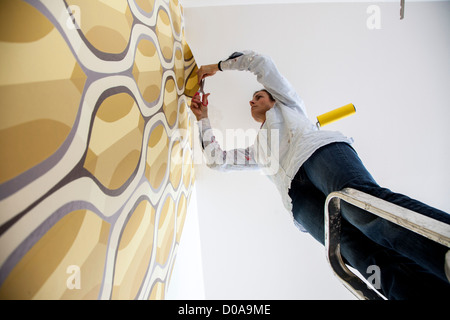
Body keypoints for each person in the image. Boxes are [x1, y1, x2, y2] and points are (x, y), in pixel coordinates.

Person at [189, 50, 450, 299]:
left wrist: (218, 66)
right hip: (297, 199)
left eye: (258, 96)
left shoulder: (290, 106)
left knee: (364, 211)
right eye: (253, 98)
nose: (251, 101)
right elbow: (217, 160)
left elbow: (260, 62)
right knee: (358, 253)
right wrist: (204, 118)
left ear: (274, 99)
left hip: (317, 153)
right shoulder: (257, 150)